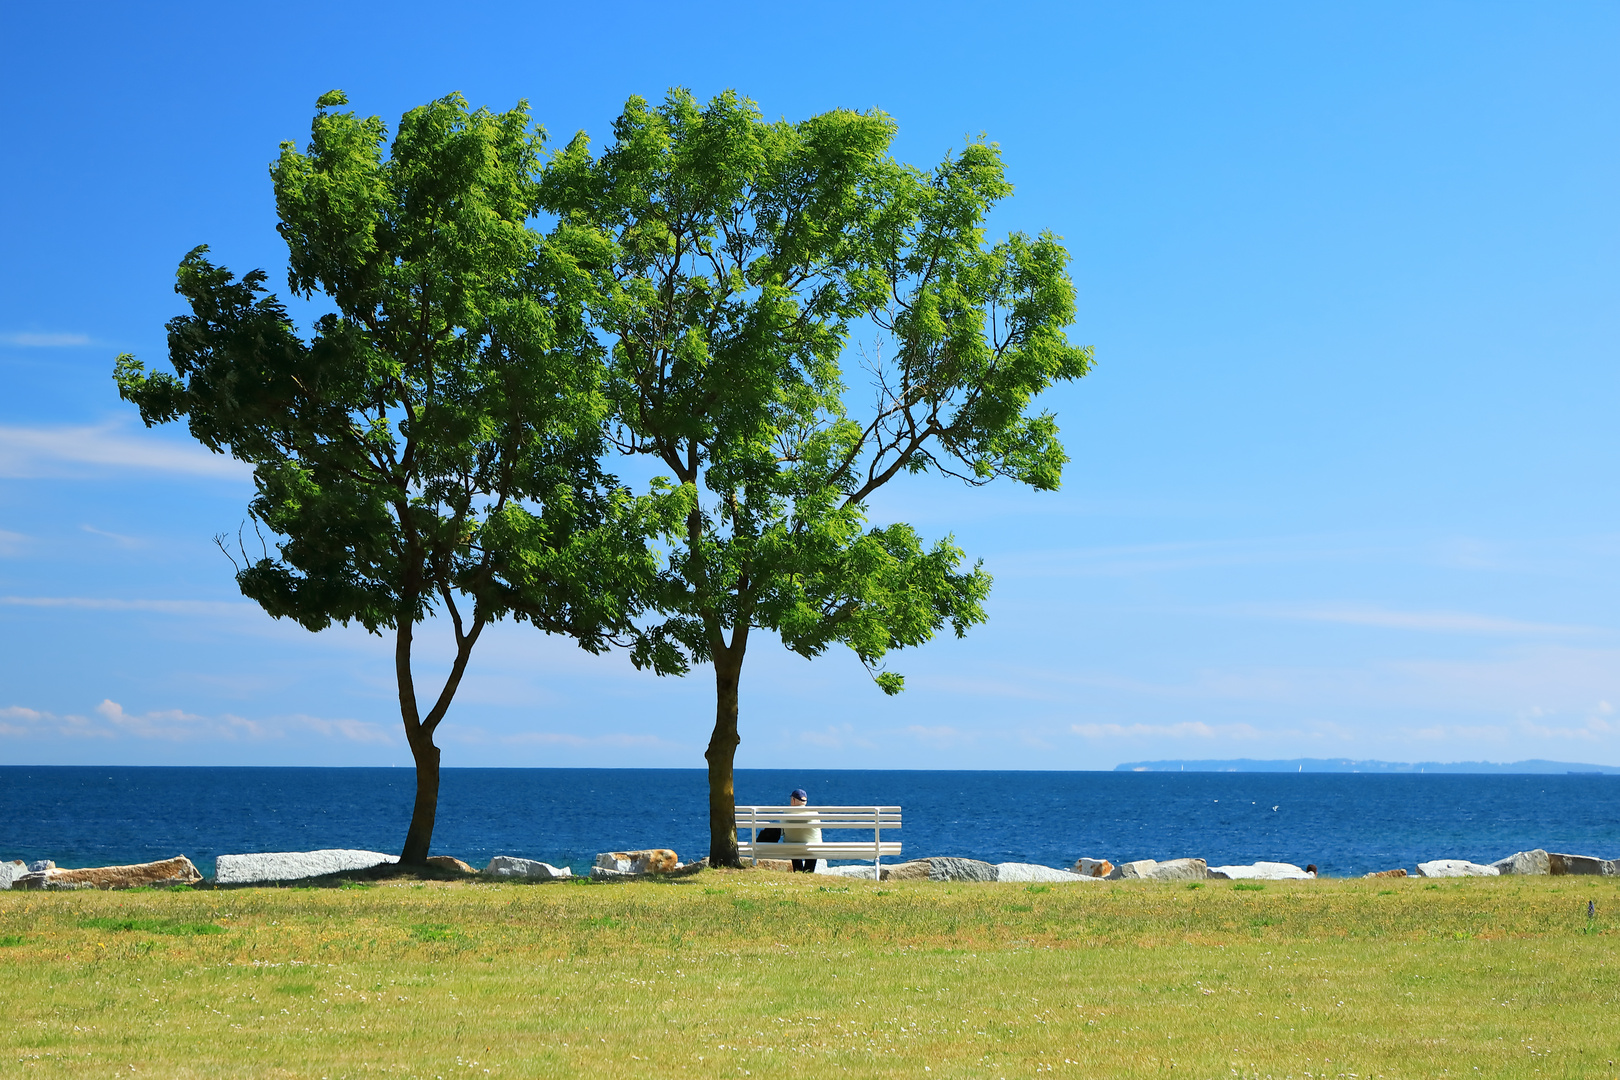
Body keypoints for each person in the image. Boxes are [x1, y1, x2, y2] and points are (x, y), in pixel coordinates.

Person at [782, 788, 821, 873]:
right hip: (812, 848)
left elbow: (782, 831)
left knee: (794, 844)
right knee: (813, 844)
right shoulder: (813, 813)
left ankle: (798, 871)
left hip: (792, 847)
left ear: (793, 800)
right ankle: (808, 872)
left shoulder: (787, 813)